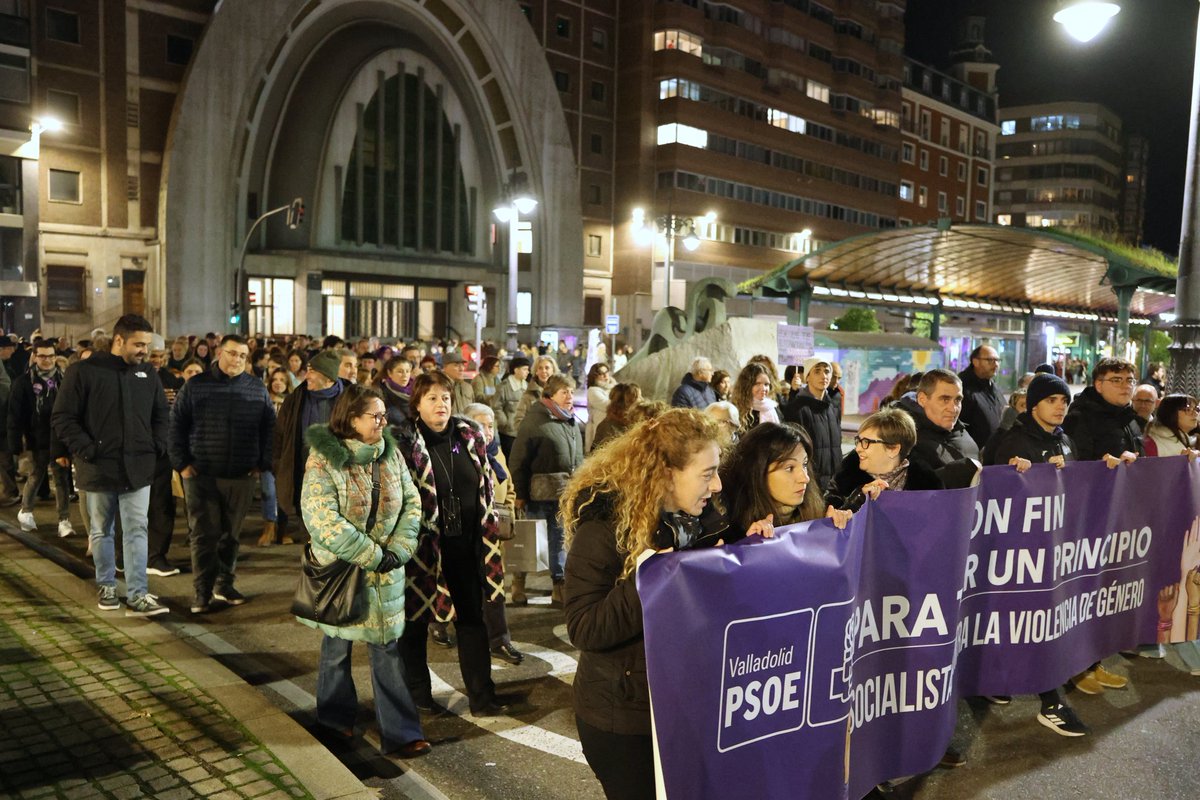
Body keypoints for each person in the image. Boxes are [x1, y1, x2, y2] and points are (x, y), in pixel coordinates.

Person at [562, 409, 773, 799]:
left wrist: (751, 547)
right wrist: (650, 577)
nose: (717, 485)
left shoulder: (701, 520)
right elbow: (585, 627)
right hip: (626, 721)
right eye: (707, 474)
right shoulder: (603, 529)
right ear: (665, 473)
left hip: (686, 707)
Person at [298, 384, 429, 758]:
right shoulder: (324, 460)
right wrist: (373, 555)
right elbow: (322, 519)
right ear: (351, 419)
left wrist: (398, 549)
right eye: (376, 416)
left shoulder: (390, 454)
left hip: (387, 569)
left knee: (386, 647)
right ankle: (334, 719)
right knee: (336, 645)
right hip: (342, 571)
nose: (383, 422)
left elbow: (412, 503)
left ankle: (401, 733)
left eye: (384, 415)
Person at [395, 372, 514, 716]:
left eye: (445, 397)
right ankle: (419, 696)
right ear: (417, 404)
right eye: (432, 398)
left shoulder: (469, 436)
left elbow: (487, 485)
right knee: (416, 624)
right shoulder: (405, 444)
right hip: (424, 551)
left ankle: (483, 698)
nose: (441, 404)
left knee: (472, 621)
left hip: (468, 547)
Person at [51, 314, 170, 616]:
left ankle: (138, 593)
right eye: (139, 344)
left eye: (147, 345)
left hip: (138, 468)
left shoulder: (147, 374)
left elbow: (161, 415)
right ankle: (106, 587)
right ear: (119, 340)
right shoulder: (83, 372)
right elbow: (63, 417)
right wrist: (88, 450)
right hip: (98, 468)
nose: (145, 351)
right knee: (102, 531)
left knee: (137, 530)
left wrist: (156, 445)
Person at [170, 335, 275, 613]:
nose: (237, 359)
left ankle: (224, 584)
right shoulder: (196, 386)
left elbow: (269, 428)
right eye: (232, 353)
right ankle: (202, 591)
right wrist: (182, 464)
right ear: (219, 353)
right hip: (201, 474)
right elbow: (176, 426)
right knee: (203, 535)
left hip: (241, 475)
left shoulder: (256, 388)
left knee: (231, 535)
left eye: (243, 355)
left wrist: (262, 462)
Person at [1062, 357, 1142, 695]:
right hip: (1090, 519)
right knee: (1084, 594)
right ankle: (1076, 667)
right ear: (1097, 384)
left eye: (1129, 379)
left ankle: (1094, 661)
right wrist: (1105, 465)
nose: (1125, 385)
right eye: (1116, 379)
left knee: (1104, 597)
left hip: (1119, 516)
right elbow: (1076, 467)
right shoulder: (1082, 417)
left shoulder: (1128, 418)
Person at [511, 373, 584, 606]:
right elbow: (519, 459)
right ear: (551, 395)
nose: (570, 396)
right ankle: (518, 582)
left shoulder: (570, 419)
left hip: (563, 492)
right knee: (530, 540)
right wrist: (519, 493)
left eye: (571, 391)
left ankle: (558, 584)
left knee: (559, 538)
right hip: (538, 494)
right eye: (564, 392)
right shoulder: (535, 420)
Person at [462, 402, 524, 665]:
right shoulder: (460, 452)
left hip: (494, 534)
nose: (487, 431)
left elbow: (508, 486)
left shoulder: (496, 453)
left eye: (490, 426)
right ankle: (440, 625)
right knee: (464, 589)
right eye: (481, 425)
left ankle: (499, 640)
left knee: (494, 588)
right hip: (468, 533)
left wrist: (506, 513)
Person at [720, 422, 853, 536]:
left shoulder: (817, 515)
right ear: (758, 473)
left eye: (804, 464)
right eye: (789, 468)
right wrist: (749, 546)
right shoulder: (727, 529)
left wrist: (829, 530)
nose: (805, 478)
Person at [273, 349, 347, 544]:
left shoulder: (349, 401)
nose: (307, 375)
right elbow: (279, 436)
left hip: (340, 478)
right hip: (302, 476)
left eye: (312, 371)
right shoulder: (295, 399)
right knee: (308, 528)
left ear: (327, 377)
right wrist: (278, 466)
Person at [9, 339, 73, 536]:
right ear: (34, 357)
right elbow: (15, 414)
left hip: (60, 438)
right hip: (37, 438)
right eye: (43, 356)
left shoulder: (64, 380)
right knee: (37, 474)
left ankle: (64, 520)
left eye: (51, 356)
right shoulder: (23, 382)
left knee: (62, 478)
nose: (47, 360)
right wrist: (15, 443)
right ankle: (26, 511)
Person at [825, 408, 944, 513]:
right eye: (859, 441)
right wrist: (858, 500)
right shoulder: (843, 481)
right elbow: (828, 524)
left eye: (866, 442)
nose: (858, 448)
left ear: (893, 449)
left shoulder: (928, 486)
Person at [896, 369, 982, 489]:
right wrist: (958, 472)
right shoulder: (904, 438)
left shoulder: (962, 432)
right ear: (922, 399)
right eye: (945, 399)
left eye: (957, 400)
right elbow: (908, 491)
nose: (953, 409)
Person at [782, 356, 841, 492]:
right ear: (807, 377)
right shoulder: (797, 408)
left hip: (833, 485)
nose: (823, 376)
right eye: (817, 371)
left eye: (827, 371)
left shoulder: (832, 407)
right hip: (810, 483)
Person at [958, 345, 1006, 450]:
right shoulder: (962, 388)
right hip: (973, 453)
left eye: (998, 360)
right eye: (990, 360)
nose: (996, 364)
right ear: (975, 362)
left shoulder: (994, 387)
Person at [492, 356, 530, 457]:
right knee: (511, 458)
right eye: (524, 369)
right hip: (508, 432)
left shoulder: (527, 386)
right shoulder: (504, 387)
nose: (527, 372)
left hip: (523, 431)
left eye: (528, 369)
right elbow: (496, 406)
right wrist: (505, 423)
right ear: (516, 370)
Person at [1143, 393, 1199, 457]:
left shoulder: (1190, 440)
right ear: (1170, 413)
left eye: (1196, 409)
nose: (1195, 413)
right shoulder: (1153, 442)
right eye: (1188, 409)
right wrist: (1180, 460)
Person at [512, 354, 557, 433]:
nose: (543, 371)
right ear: (536, 371)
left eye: (547, 368)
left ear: (553, 370)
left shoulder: (560, 392)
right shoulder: (528, 395)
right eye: (540, 368)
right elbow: (518, 422)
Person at [731, 361, 779, 432]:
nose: (763, 388)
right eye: (757, 384)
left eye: (766, 384)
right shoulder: (735, 410)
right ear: (746, 385)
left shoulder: (773, 408)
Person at [592, 382, 641, 451]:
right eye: (637, 397)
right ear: (626, 403)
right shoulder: (609, 427)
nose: (641, 400)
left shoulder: (633, 422)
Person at [584, 362, 615, 453]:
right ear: (594, 376)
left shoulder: (613, 387)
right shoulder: (593, 391)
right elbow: (609, 406)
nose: (605, 375)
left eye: (606, 372)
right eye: (601, 373)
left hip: (612, 430)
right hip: (600, 431)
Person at [377, 355, 414, 427]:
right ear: (389, 373)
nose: (405, 375)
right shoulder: (382, 395)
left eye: (407, 371)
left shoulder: (418, 392)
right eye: (400, 371)